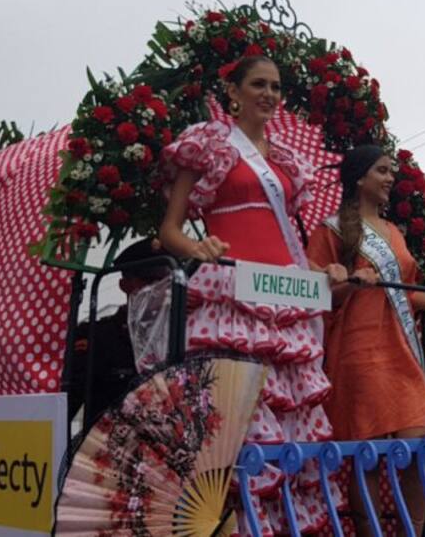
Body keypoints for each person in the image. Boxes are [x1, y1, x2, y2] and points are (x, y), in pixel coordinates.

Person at [158, 54, 348, 535]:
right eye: (258, 84)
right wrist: (198, 248)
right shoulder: (209, 143)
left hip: (287, 297)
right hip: (231, 292)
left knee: (289, 422)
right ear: (234, 94)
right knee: (237, 424)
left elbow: (288, 237)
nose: (269, 94)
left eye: (276, 87)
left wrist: (325, 271)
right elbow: (169, 231)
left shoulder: (283, 159)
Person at [305, 145, 425, 536]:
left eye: (391, 171)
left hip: (401, 353)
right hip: (358, 353)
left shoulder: (394, 234)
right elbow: (316, 293)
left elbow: (409, 294)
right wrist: (351, 285)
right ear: (359, 178)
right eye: (382, 170)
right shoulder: (331, 229)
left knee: (422, 451)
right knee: (367, 455)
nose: (390, 178)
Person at [67, 237, 168, 423]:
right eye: (149, 281)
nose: (158, 289)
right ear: (124, 285)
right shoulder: (98, 336)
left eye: (164, 282)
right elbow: (69, 402)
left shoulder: (180, 334)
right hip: (106, 443)